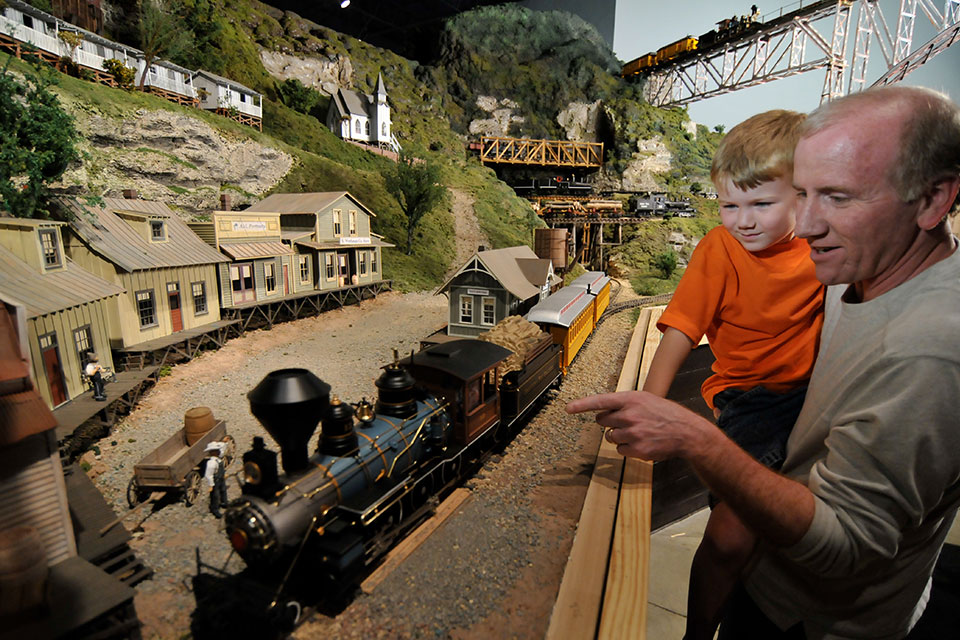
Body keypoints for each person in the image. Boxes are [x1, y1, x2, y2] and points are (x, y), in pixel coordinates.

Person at [567, 85, 960, 639]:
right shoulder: (858, 260)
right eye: (804, 193)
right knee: (729, 543)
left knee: (727, 537)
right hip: (771, 582)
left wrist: (696, 440)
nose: (811, 223)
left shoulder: (930, 354)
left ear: (932, 199)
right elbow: (695, 320)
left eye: (839, 197)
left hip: (817, 621)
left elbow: (849, 543)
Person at [641, 109, 824, 639]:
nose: (743, 220)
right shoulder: (719, 249)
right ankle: (698, 633)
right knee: (729, 538)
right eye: (728, 205)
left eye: (761, 204)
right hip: (752, 402)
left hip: (816, 394)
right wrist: (653, 404)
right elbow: (680, 327)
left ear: (803, 196)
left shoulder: (821, 246)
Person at [202, 441, 229, 518]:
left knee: (223, 490)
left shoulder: (219, 460)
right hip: (215, 481)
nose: (219, 451)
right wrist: (211, 484)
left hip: (221, 479)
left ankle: (224, 502)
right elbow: (208, 475)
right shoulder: (211, 463)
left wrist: (224, 474)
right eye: (217, 450)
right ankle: (215, 509)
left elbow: (221, 469)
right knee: (215, 495)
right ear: (213, 452)